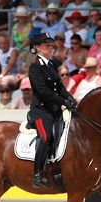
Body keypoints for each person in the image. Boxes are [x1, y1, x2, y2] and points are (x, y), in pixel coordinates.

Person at [28, 33, 77, 188]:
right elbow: (43, 91)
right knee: (45, 136)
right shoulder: (35, 66)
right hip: (41, 111)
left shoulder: (51, 65)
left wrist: (70, 98)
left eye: (51, 46)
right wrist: (63, 101)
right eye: (47, 46)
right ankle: (38, 174)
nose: (51, 48)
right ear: (37, 48)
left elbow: (59, 86)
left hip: (55, 111)